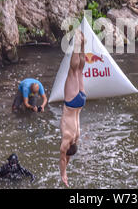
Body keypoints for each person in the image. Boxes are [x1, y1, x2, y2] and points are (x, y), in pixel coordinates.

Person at [59, 30, 87, 187]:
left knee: (80, 71)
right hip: (72, 103)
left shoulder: (76, 137)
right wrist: (63, 173)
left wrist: (67, 171)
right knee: (73, 70)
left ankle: (83, 44)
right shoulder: (67, 138)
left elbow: (68, 156)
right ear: (68, 146)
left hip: (81, 102)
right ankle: (78, 42)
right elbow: (63, 157)